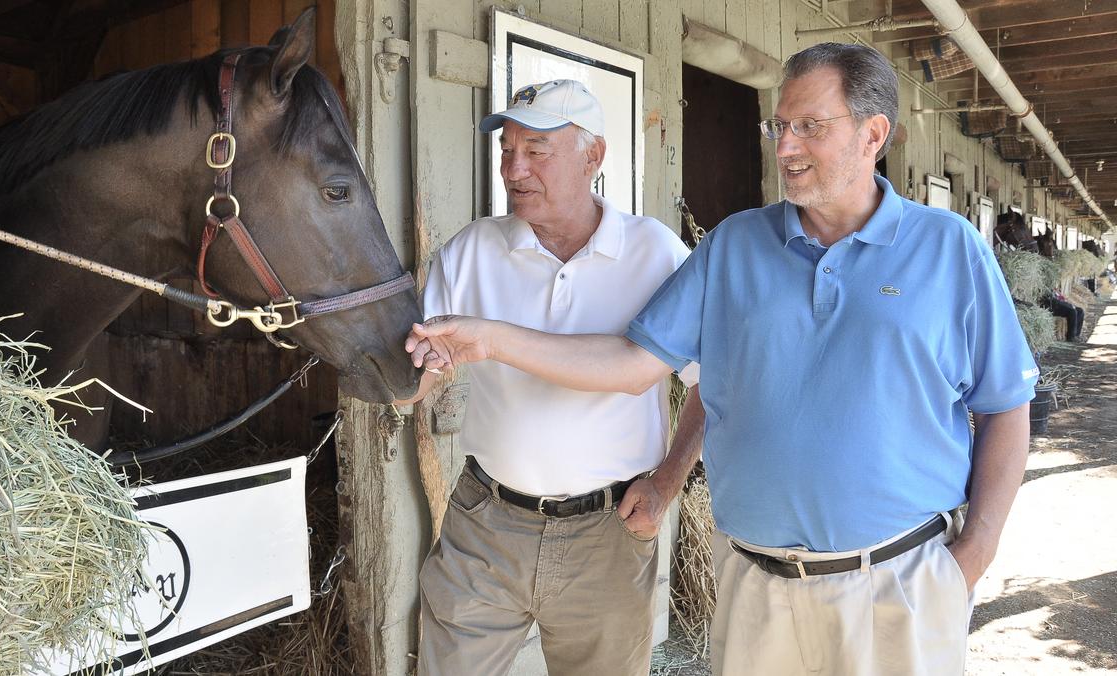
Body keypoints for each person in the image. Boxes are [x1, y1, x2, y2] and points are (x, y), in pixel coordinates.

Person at [408, 43, 1036, 676]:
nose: (785, 147)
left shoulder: (949, 250)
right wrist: (488, 338)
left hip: (898, 581)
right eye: (779, 126)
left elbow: (1006, 406)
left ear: (874, 134)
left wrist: (971, 558)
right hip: (755, 584)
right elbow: (633, 363)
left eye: (809, 127)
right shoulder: (736, 244)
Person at [399, 78, 703, 676]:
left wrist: (667, 484)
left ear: (594, 157)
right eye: (507, 150)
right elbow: (412, 386)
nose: (515, 168)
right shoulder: (469, 252)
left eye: (537, 151)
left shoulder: (657, 255)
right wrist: (403, 368)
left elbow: (711, 387)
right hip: (484, 522)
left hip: (608, 530)